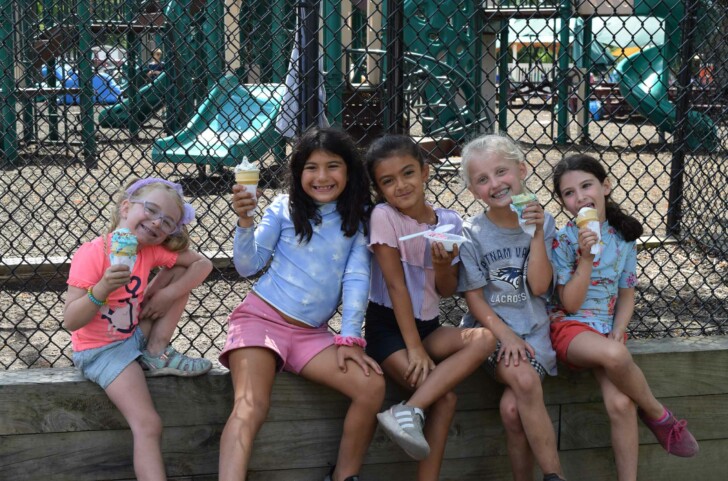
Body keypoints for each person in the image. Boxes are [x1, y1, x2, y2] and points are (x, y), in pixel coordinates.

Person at [219, 127, 385, 481]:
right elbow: (247, 265)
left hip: (311, 335)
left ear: (350, 170)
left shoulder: (360, 217)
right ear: (298, 173)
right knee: (251, 406)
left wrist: (350, 338)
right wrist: (244, 221)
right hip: (260, 322)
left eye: (333, 166)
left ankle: (344, 476)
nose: (322, 176)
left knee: (371, 386)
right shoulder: (284, 207)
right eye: (311, 167)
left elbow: (357, 279)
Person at [549, 154, 698, 480]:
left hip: (606, 330)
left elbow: (626, 292)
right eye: (569, 193)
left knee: (621, 404)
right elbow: (570, 305)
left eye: (586, 185)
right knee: (616, 354)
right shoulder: (564, 239)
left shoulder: (623, 239)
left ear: (605, 186)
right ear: (563, 202)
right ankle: (660, 415)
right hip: (569, 327)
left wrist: (619, 328)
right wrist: (585, 259)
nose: (580, 197)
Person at [363, 135, 496, 480]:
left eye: (408, 173)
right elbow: (395, 286)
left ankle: (408, 410)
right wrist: (414, 349)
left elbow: (447, 289)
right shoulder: (383, 216)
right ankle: (412, 419)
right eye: (387, 181)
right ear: (378, 188)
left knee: (483, 339)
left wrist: (441, 266)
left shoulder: (449, 222)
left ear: (425, 172)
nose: (400, 185)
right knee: (446, 399)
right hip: (388, 329)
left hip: (429, 325)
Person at [63, 178, 213, 481]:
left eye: (167, 222)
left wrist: (167, 293)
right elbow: (70, 321)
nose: (157, 222)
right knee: (148, 424)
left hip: (131, 333)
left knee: (181, 271)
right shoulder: (92, 253)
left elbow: (202, 265)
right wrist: (102, 288)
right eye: (151, 210)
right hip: (102, 351)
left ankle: (156, 351)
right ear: (126, 208)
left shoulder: (147, 252)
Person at [457, 134, 566, 481]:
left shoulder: (544, 223)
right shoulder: (471, 232)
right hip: (492, 332)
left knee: (512, 410)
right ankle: (555, 475)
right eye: (482, 179)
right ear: (473, 191)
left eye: (501, 172)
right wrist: (504, 336)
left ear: (522, 170)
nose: (495, 184)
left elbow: (538, 287)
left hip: (535, 332)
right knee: (523, 379)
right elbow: (474, 298)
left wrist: (535, 234)